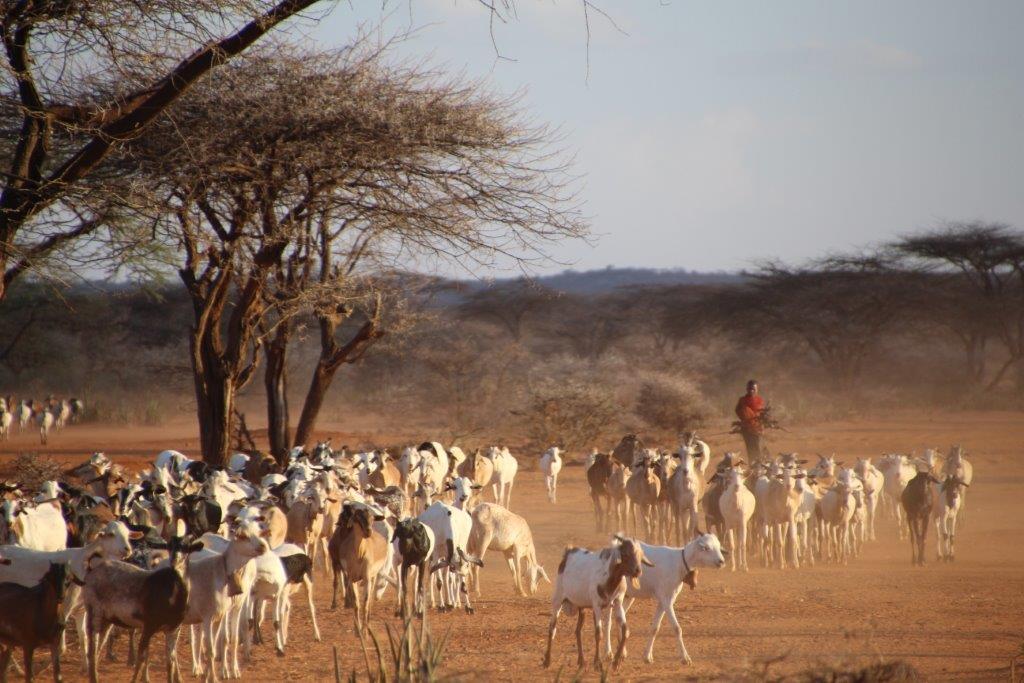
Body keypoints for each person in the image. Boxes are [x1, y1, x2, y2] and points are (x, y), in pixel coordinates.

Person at [735, 379, 766, 461]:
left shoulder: (760, 400)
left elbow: (763, 413)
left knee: (759, 448)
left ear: (757, 389)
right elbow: (737, 410)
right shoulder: (742, 400)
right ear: (747, 389)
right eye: (749, 389)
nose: (751, 391)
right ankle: (753, 467)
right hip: (747, 429)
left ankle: (760, 467)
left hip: (758, 429)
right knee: (750, 449)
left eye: (753, 389)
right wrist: (744, 419)